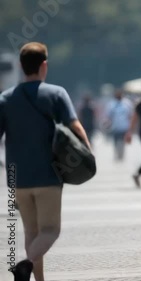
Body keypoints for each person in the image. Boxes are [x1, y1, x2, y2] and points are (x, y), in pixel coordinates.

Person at [0, 42, 91, 281]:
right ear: (44, 66)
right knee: (50, 231)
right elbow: (75, 126)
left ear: (21, 66)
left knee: (32, 231)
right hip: (47, 176)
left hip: (17, 178)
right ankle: (25, 265)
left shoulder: (5, 99)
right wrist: (88, 152)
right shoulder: (56, 93)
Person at [104, 89, 133, 162]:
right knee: (116, 141)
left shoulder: (127, 103)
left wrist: (131, 127)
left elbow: (130, 115)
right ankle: (117, 153)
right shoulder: (111, 104)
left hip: (124, 126)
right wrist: (107, 123)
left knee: (123, 141)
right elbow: (109, 115)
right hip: (115, 126)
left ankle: (121, 154)